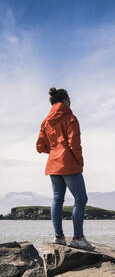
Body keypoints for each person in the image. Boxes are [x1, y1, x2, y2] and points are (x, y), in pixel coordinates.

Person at [36, 87, 93, 250]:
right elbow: (74, 143)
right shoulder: (70, 117)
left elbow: (40, 146)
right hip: (68, 163)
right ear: (66, 100)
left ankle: (59, 237)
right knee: (81, 199)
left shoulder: (46, 121)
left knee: (57, 199)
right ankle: (78, 238)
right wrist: (79, 162)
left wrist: (54, 151)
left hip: (53, 164)